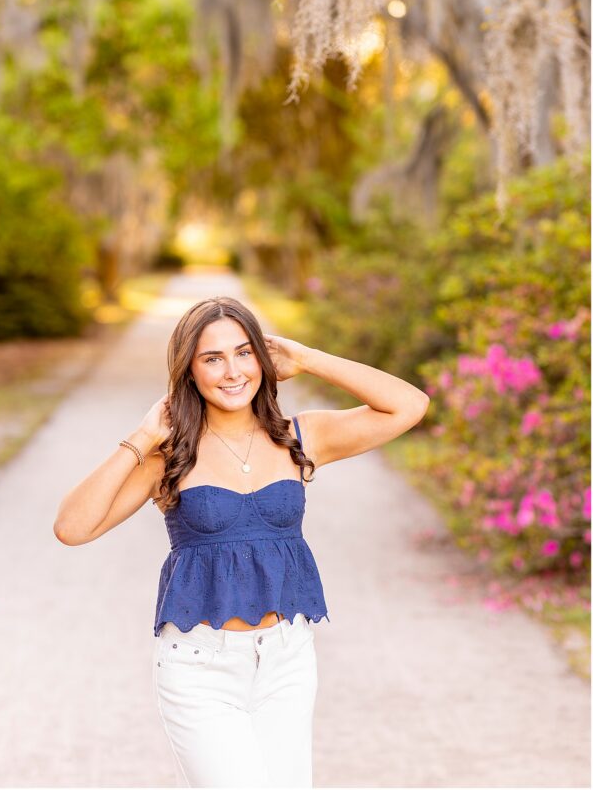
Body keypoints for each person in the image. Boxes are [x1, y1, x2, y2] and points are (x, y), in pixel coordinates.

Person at [54, 296, 429, 788]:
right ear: (189, 370)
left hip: (287, 660)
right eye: (212, 358)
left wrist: (308, 358)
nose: (232, 371)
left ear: (263, 359)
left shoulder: (299, 438)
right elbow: (73, 527)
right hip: (199, 667)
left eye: (244, 352)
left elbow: (410, 405)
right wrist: (141, 438)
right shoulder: (168, 456)